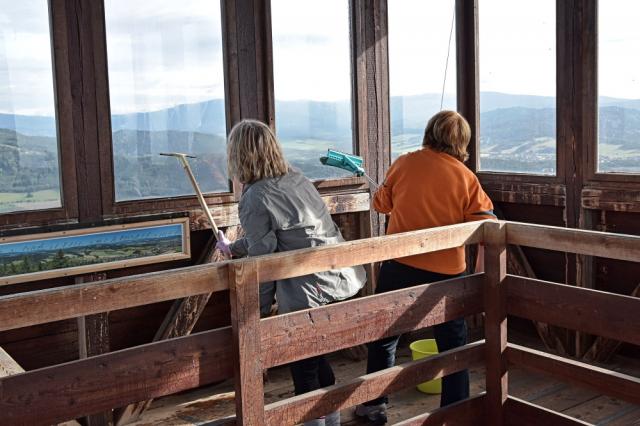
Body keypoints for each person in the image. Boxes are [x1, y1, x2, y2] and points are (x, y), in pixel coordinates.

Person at [216, 119, 367, 426]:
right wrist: (235, 247)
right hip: (340, 277)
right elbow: (277, 238)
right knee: (318, 359)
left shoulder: (254, 197)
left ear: (238, 155)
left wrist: (255, 312)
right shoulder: (296, 178)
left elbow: (264, 259)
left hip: (309, 291)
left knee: (304, 369)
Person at [355, 111, 495, 425]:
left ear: (429, 131)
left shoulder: (405, 162)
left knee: (384, 335)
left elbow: (382, 205)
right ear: (462, 142)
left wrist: (388, 193)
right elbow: (488, 224)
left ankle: (373, 405)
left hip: (400, 265)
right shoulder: (465, 177)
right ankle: (455, 409)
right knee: (453, 342)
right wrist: (482, 270)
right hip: (447, 272)